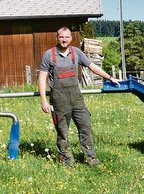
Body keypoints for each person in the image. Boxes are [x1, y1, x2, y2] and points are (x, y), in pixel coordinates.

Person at [38, 26, 120, 167]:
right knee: (62, 132)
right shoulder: (49, 55)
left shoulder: (76, 53)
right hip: (59, 101)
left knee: (85, 127)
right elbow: (41, 78)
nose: (64, 40)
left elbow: (92, 66)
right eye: (61, 37)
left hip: (77, 100)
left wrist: (109, 77)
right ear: (56, 38)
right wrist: (43, 101)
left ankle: (91, 158)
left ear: (71, 38)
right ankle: (67, 161)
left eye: (67, 37)